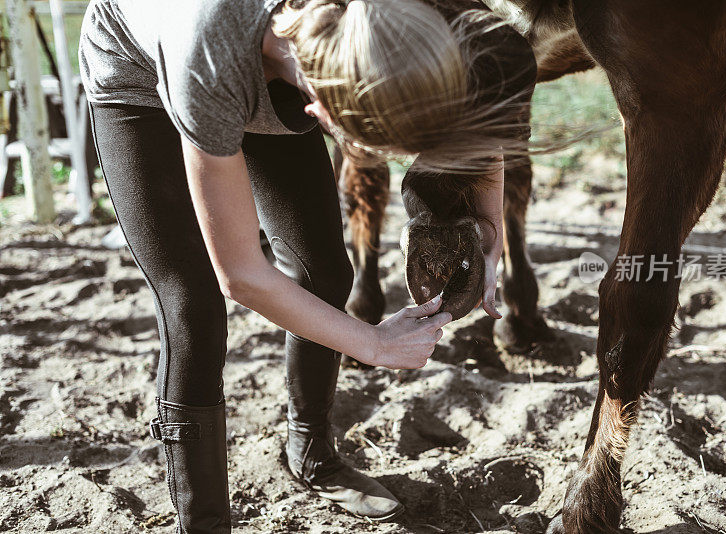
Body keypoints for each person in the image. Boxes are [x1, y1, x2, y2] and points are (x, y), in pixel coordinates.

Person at [79, 0, 518, 531]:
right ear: (324, 113)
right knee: (192, 305)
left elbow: (479, 108)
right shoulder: (212, 63)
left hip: (262, 63)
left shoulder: (393, 20)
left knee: (324, 274)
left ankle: (312, 454)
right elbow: (241, 274)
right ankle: (205, 522)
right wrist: (372, 343)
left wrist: (487, 228)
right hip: (140, 69)